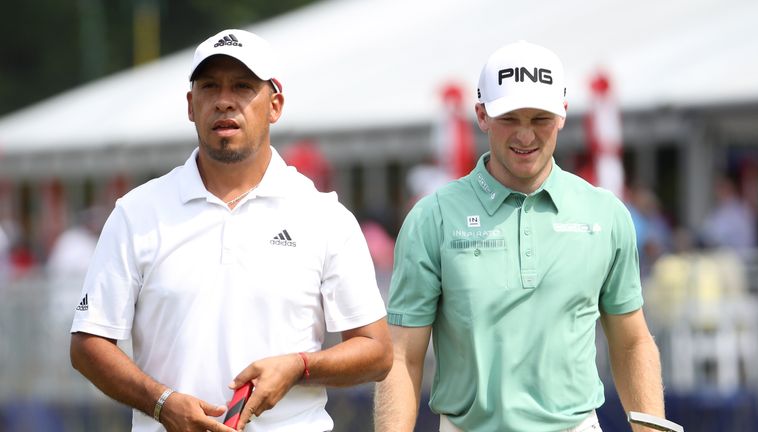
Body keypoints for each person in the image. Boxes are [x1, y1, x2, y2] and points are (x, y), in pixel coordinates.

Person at [70, 29, 392, 432]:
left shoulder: (323, 215)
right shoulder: (137, 213)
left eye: (243, 86)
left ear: (275, 105)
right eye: (209, 86)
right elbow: (88, 345)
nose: (224, 100)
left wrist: (299, 366)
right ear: (191, 105)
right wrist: (161, 404)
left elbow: (377, 351)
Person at [374, 41, 665, 431]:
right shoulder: (433, 217)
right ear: (482, 115)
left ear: (562, 113)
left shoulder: (606, 214)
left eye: (539, 118)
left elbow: (632, 342)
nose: (526, 136)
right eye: (510, 118)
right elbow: (402, 357)